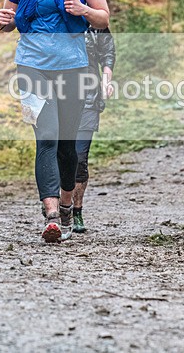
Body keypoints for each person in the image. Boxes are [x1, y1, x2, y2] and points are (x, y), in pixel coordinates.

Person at [0, 0, 110, 243]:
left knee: (68, 146)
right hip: (30, 65)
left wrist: (84, 11)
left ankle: (65, 203)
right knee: (46, 136)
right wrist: (4, 20)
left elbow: (103, 19)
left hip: (72, 66)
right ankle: (50, 215)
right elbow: (9, 19)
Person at [73, 27, 116, 233]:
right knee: (57, 151)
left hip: (89, 97)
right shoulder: (54, 14)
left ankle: (77, 211)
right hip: (58, 95)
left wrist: (107, 81)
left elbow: (107, 52)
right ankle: (54, 204)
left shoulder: (95, 21)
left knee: (80, 157)